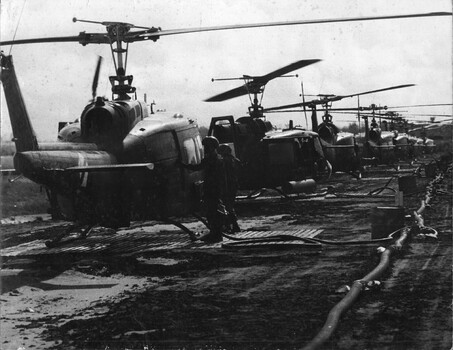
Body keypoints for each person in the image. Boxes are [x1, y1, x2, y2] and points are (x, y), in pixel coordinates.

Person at [180, 136, 225, 243]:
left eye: (206, 146)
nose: (205, 149)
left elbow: (197, 167)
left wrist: (182, 165)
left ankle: (216, 235)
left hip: (212, 189)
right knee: (213, 212)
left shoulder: (211, 159)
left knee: (212, 212)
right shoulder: (217, 158)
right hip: (214, 189)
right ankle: (215, 234)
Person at [218, 144, 241, 233]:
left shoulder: (225, 161)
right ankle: (232, 225)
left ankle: (232, 226)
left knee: (227, 206)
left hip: (227, 186)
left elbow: (225, 176)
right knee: (229, 206)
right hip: (233, 186)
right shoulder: (234, 160)